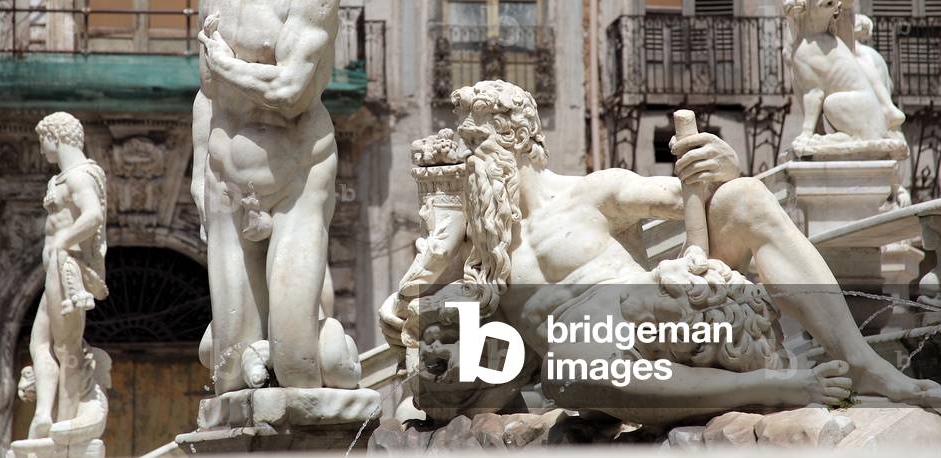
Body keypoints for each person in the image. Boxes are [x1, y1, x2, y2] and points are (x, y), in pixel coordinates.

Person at [381, 80, 940, 425]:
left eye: (478, 140)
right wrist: (415, 296)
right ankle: (777, 388)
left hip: (663, 314)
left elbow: (697, 197)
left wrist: (721, 164)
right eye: (467, 143)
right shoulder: (481, 243)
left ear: (520, 138)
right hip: (594, 365)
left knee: (744, 198)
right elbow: (419, 316)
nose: (471, 157)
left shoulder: (592, 192)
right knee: (573, 362)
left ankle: (863, 363)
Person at [191, 0, 357, 393]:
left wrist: (226, 63)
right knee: (227, 368)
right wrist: (197, 173)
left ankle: (327, 348)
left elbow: (290, 91)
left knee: (297, 360)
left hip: (297, 174)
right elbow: (207, 93)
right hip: (226, 181)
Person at [27, 112, 108, 438]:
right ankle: (44, 414)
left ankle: (65, 421)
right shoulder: (62, 179)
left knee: (67, 347)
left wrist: (62, 242)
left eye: (42, 141)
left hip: (67, 266)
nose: (41, 149)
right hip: (55, 271)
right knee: (39, 344)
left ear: (55, 136)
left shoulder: (80, 177)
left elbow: (93, 215)